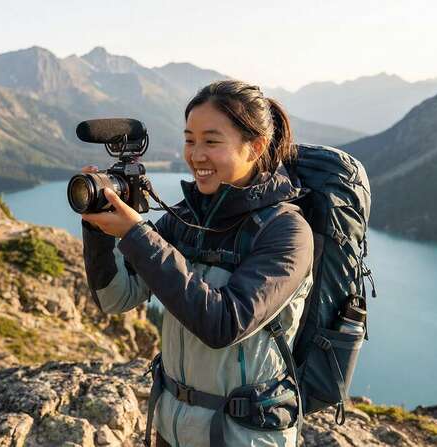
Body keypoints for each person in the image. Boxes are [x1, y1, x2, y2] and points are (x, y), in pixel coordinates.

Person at [81, 80, 314, 447]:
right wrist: (97, 226)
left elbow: (223, 324)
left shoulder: (286, 231)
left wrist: (136, 234)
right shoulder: (186, 218)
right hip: (171, 429)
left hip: (243, 435)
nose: (196, 155)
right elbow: (115, 299)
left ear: (254, 147)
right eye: (190, 140)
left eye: (211, 141)